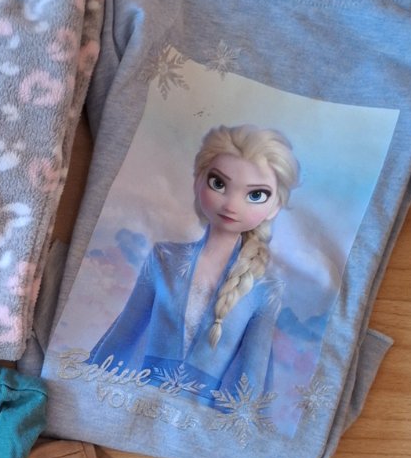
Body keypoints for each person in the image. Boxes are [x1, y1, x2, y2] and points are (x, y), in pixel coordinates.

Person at [89, 124, 300, 406]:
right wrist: (87, 387)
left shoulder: (265, 287)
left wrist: (233, 422)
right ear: (198, 181)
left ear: (275, 207)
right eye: (218, 183)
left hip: (202, 416)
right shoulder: (164, 258)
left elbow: (252, 374)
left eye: (255, 195)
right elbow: (125, 333)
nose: (231, 205)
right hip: (136, 400)